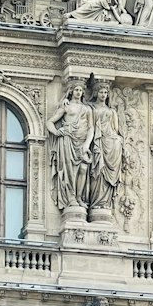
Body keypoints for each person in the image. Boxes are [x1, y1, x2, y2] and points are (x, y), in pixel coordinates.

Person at [47, 81, 94, 210]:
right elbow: (50, 122)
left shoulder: (87, 109)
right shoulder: (66, 107)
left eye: (81, 90)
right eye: (76, 90)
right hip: (67, 140)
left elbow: (91, 128)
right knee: (70, 171)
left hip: (82, 142)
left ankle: (79, 197)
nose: (78, 92)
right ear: (71, 91)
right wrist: (56, 132)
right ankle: (71, 197)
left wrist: (87, 144)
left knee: (83, 169)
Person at [87, 80, 124, 215]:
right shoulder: (90, 108)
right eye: (101, 92)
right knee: (98, 172)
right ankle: (96, 202)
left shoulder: (111, 111)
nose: (103, 94)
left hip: (111, 142)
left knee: (107, 175)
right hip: (98, 142)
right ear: (96, 93)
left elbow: (116, 129)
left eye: (105, 92)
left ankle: (105, 202)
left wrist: (118, 140)